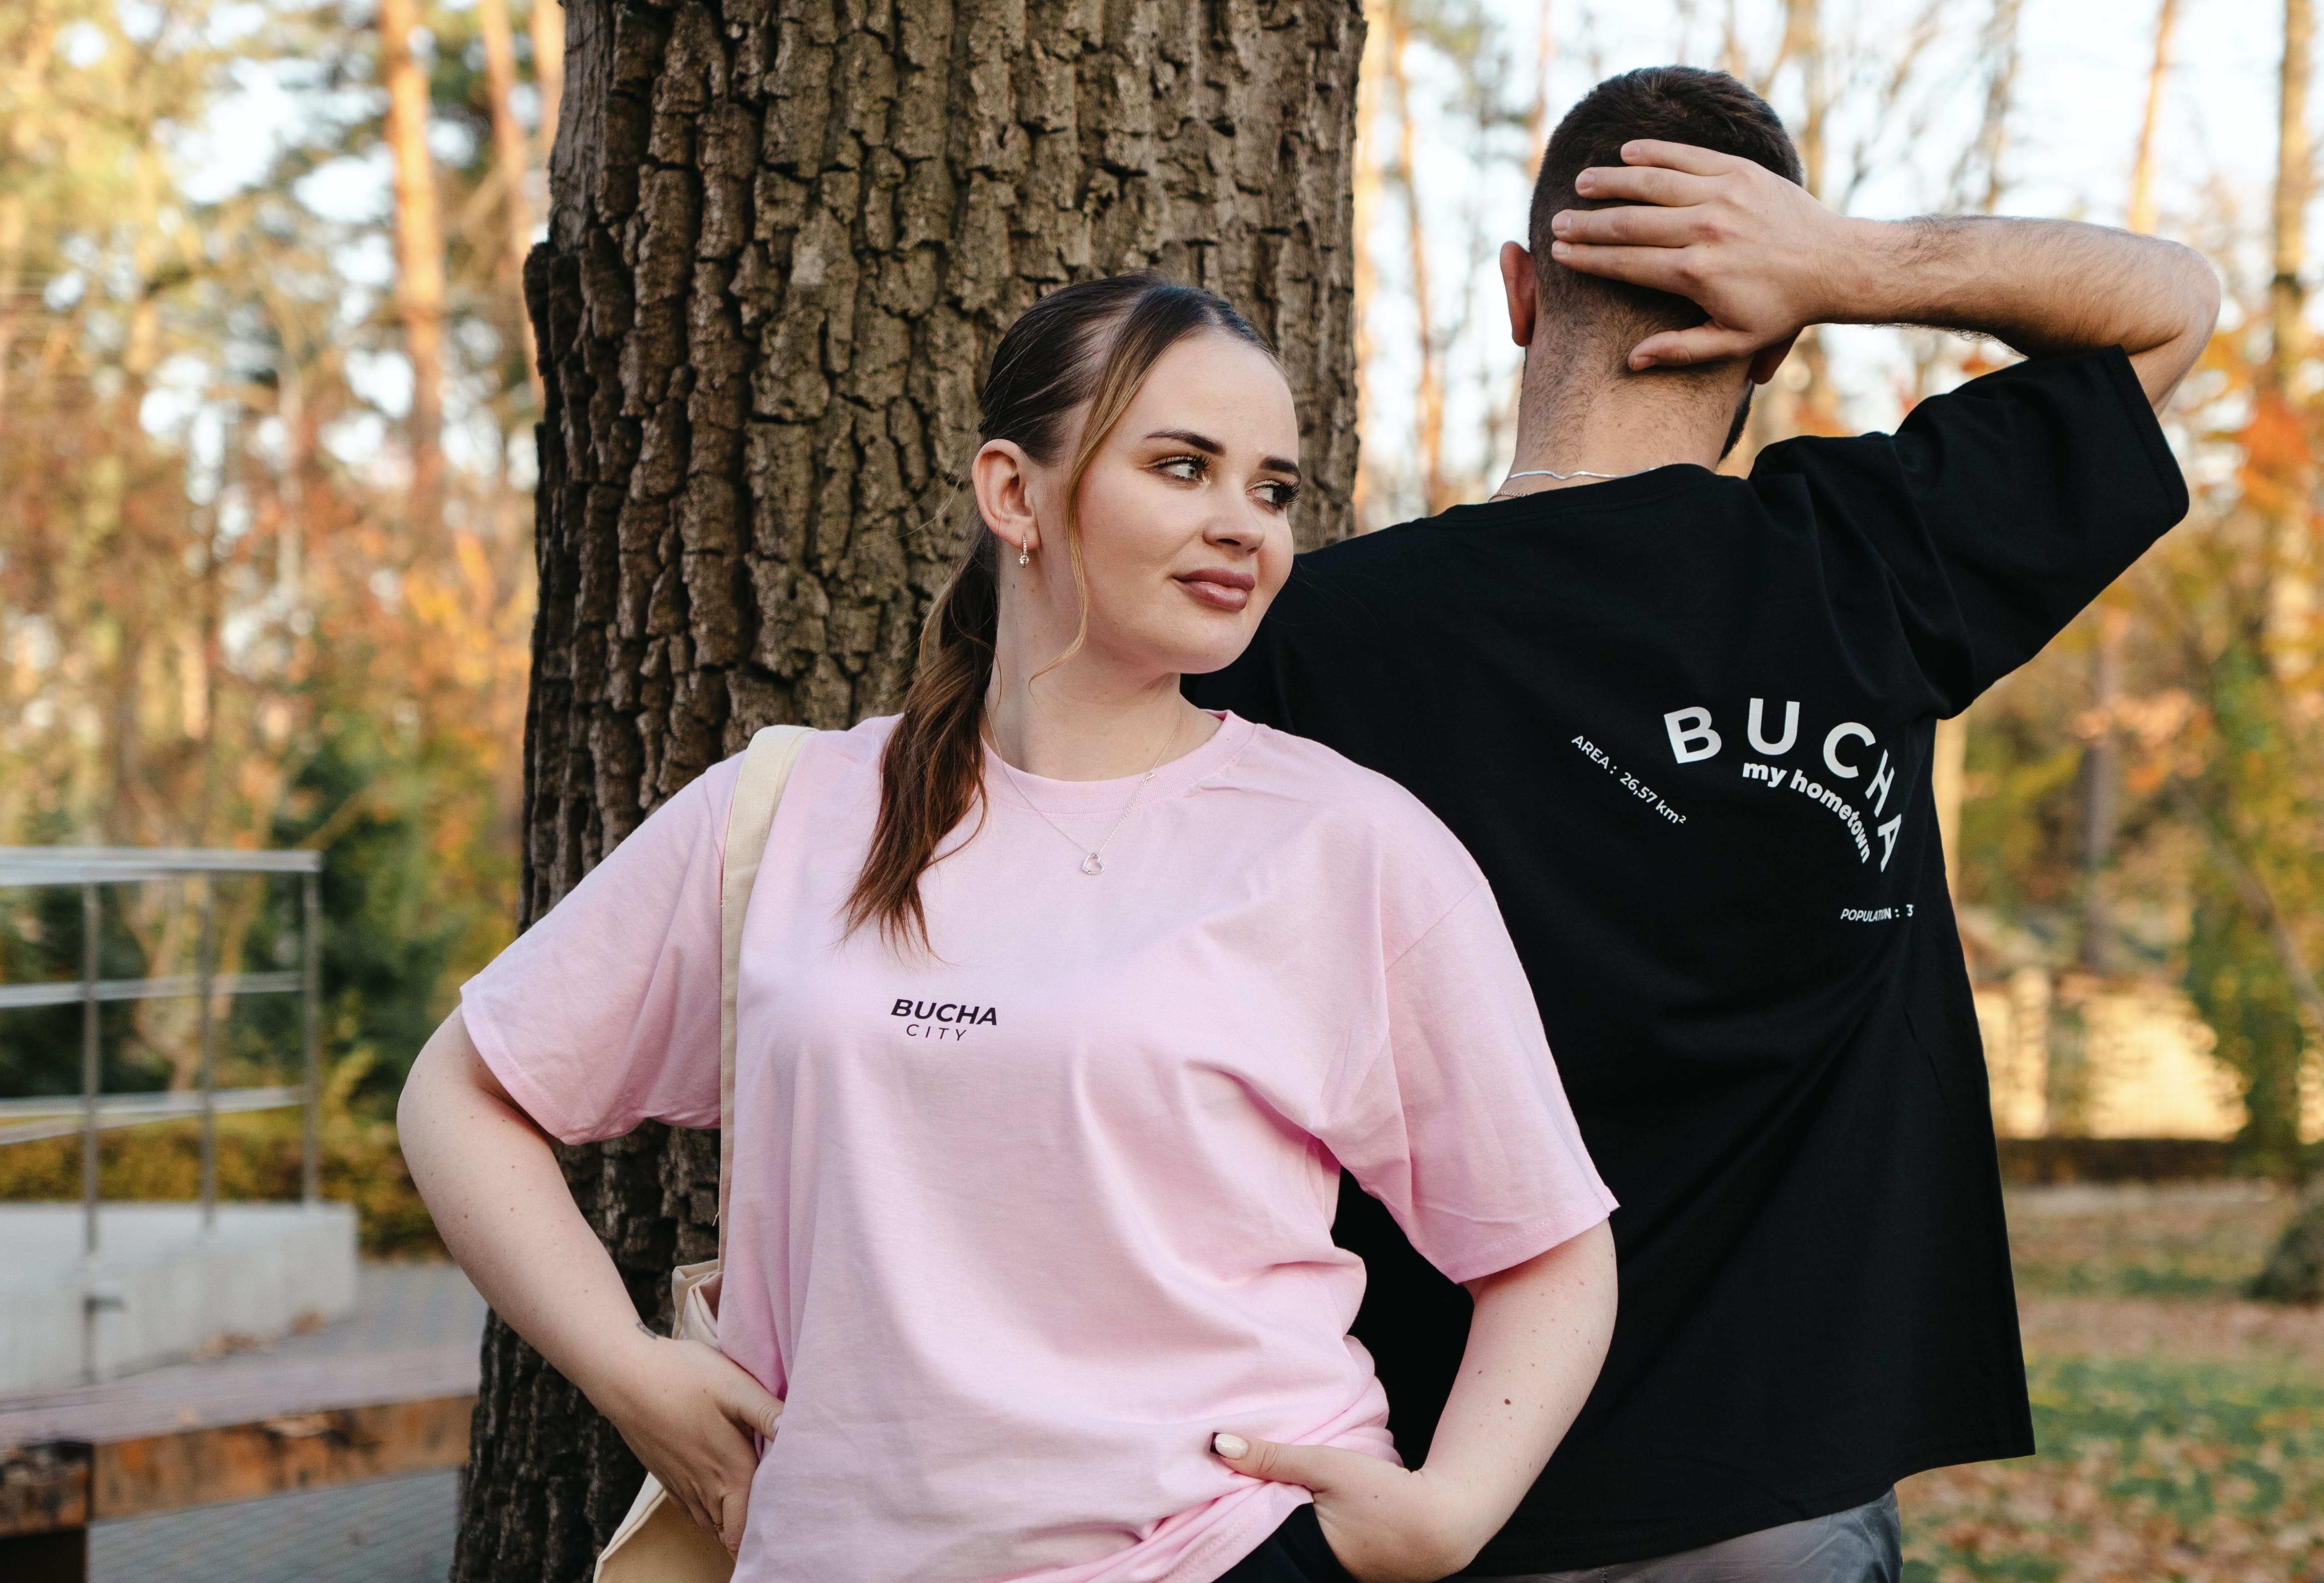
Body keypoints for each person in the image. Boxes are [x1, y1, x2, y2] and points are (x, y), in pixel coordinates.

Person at [398, 272, 1621, 1583]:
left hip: (1215, 1549)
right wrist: (626, 1370)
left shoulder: (1346, 843)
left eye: (1273, 490)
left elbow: (1551, 1250)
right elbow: (461, 1095)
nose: (1244, 525)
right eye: (1183, 466)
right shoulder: (792, 810)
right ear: (1013, 493)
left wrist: (1442, 1515)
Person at [1189, 67, 2220, 1582]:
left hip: (1421, 1478)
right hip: (1768, 1498)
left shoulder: (1298, 639)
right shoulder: (1868, 564)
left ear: (1519, 293)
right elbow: (2174, 307)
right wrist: (1852, 263)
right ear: (1774, 335)